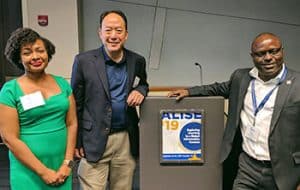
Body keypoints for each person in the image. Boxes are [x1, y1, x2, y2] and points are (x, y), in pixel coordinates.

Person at [168, 32, 300, 190]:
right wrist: (189, 92)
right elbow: (218, 88)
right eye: (260, 54)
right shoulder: (241, 77)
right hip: (247, 167)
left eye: (273, 51)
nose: (268, 58)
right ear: (252, 56)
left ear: (282, 51)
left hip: (283, 172)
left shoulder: (297, 84)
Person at [71, 10, 149, 190]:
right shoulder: (83, 61)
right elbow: (76, 103)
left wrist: (140, 90)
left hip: (125, 138)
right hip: (93, 138)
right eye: (108, 30)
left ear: (126, 34)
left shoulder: (137, 61)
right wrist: (77, 141)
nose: (113, 35)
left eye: (119, 30)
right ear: (100, 33)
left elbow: (143, 82)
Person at [0, 28, 77, 189]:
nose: (35, 56)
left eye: (40, 51)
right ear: (19, 58)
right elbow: (9, 138)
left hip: (61, 167)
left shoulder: (63, 84)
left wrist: (67, 163)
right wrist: (43, 172)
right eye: (27, 53)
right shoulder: (10, 90)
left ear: (48, 53)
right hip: (28, 171)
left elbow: (72, 124)